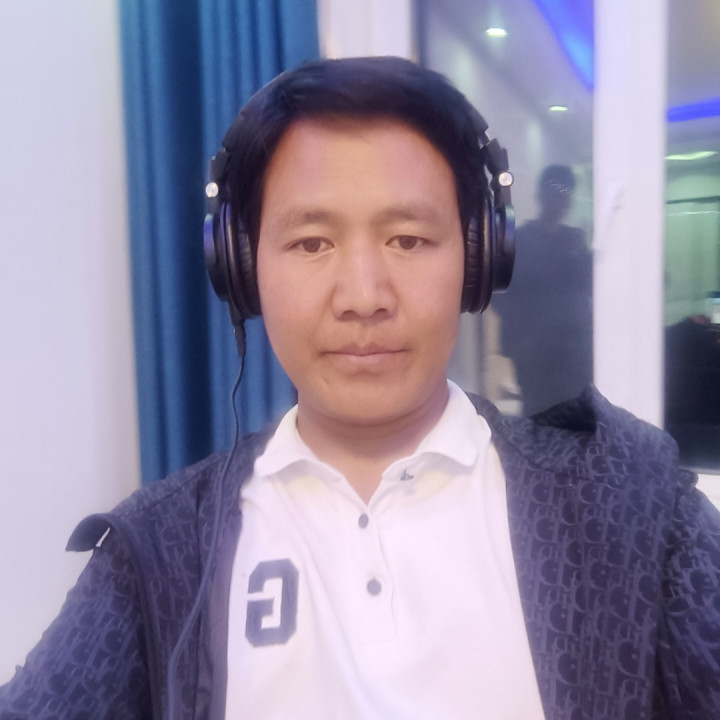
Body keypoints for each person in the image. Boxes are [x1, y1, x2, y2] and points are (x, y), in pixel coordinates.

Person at [1, 56, 719, 720]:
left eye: (408, 240)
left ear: (478, 258)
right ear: (241, 268)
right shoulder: (157, 550)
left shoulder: (629, 502)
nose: (364, 297)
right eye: (311, 243)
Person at [495, 164, 593, 416]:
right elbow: (499, 293)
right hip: (535, 356)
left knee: (576, 417)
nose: (562, 199)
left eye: (567, 193)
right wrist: (524, 338)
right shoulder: (518, 241)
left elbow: (589, 286)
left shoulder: (575, 240)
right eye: (556, 191)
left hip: (574, 352)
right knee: (538, 416)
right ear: (541, 195)